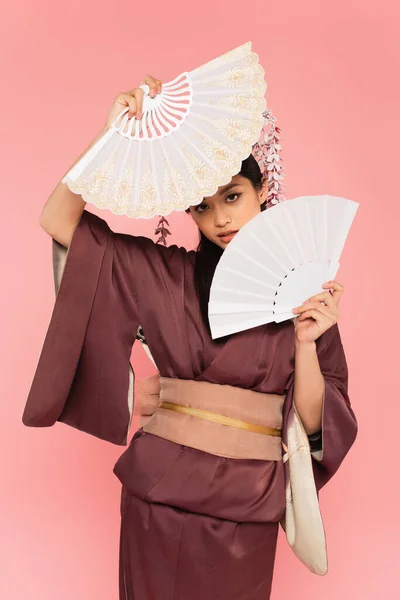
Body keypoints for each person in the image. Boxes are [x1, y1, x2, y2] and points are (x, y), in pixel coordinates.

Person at [22, 74, 358, 600]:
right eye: (202, 206)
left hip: (246, 505)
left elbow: (316, 425)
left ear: (263, 188)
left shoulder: (305, 294)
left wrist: (306, 343)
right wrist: (110, 135)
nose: (220, 217)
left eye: (232, 196)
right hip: (156, 499)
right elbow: (57, 218)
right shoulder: (167, 273)